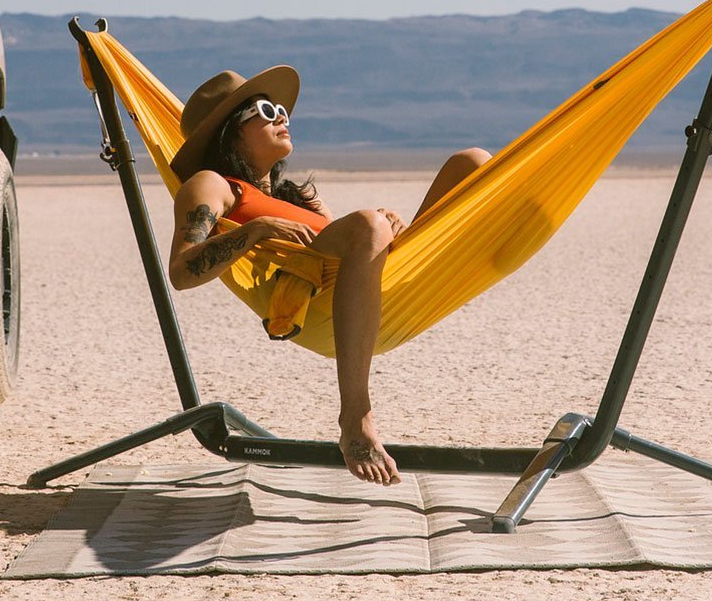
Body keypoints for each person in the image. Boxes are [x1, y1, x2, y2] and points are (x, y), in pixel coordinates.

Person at [166, 66, 489, 486]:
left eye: (282, 109)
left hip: (372, 299)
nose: (283, 116)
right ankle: (355, 417)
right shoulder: (213, 184)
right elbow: (181, 271)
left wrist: (391, 231)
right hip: (311, 309)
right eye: (266, 110)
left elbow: (350, 250)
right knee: (368, 224)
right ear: (230, 131)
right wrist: (257, 229)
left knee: (471, 163)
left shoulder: (300, 198)